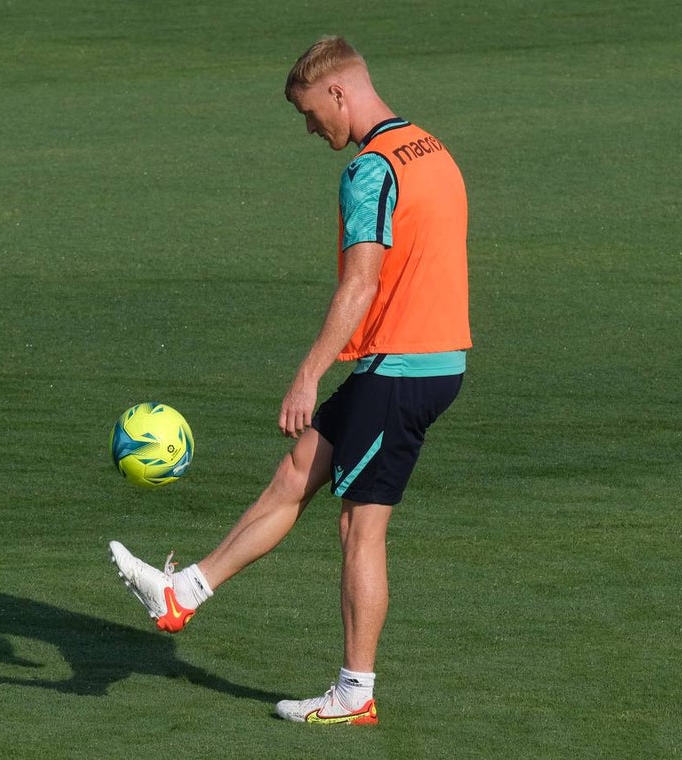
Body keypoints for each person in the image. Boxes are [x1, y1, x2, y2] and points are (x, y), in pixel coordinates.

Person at [108, 35, 471, 726]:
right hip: (429, 359)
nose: (309, 128)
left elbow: (361, 283)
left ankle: (354, 693)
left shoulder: (370, 170)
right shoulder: (428, 148)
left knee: (359, 527)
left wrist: (308, 375)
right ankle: (183, 593)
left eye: (309, 113)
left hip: (401, 368)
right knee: (299, 471)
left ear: (338, 92)